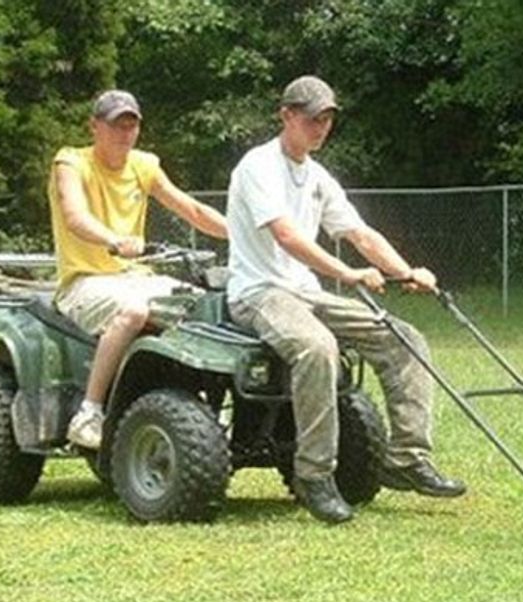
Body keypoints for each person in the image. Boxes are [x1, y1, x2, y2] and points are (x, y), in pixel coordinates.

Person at [225, 75, 466, 524]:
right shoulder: (257, 167)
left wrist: (407, 271)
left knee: (403, 337)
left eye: (328, 118)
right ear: (287, 116)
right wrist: (346, 272)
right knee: (317, 348)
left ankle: (408, 458)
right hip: (259, 293)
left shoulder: (317, 176)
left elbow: (359, 234)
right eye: (313, 118)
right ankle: (314, 476)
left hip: (306, 292)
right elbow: (287, 236)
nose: (322, 127)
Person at [49, 89, 228, 450]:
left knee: (210, 306)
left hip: (135, 278)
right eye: (117, 125)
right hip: (85, 281)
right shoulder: (71, 162)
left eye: (132, 125)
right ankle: (90, 412)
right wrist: (114, 240)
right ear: (95, 127)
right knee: (133, 312)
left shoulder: (144, 165)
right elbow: (74, 216)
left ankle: (212, 408)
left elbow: (191, 209)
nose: (125, 133)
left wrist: (242, 233)